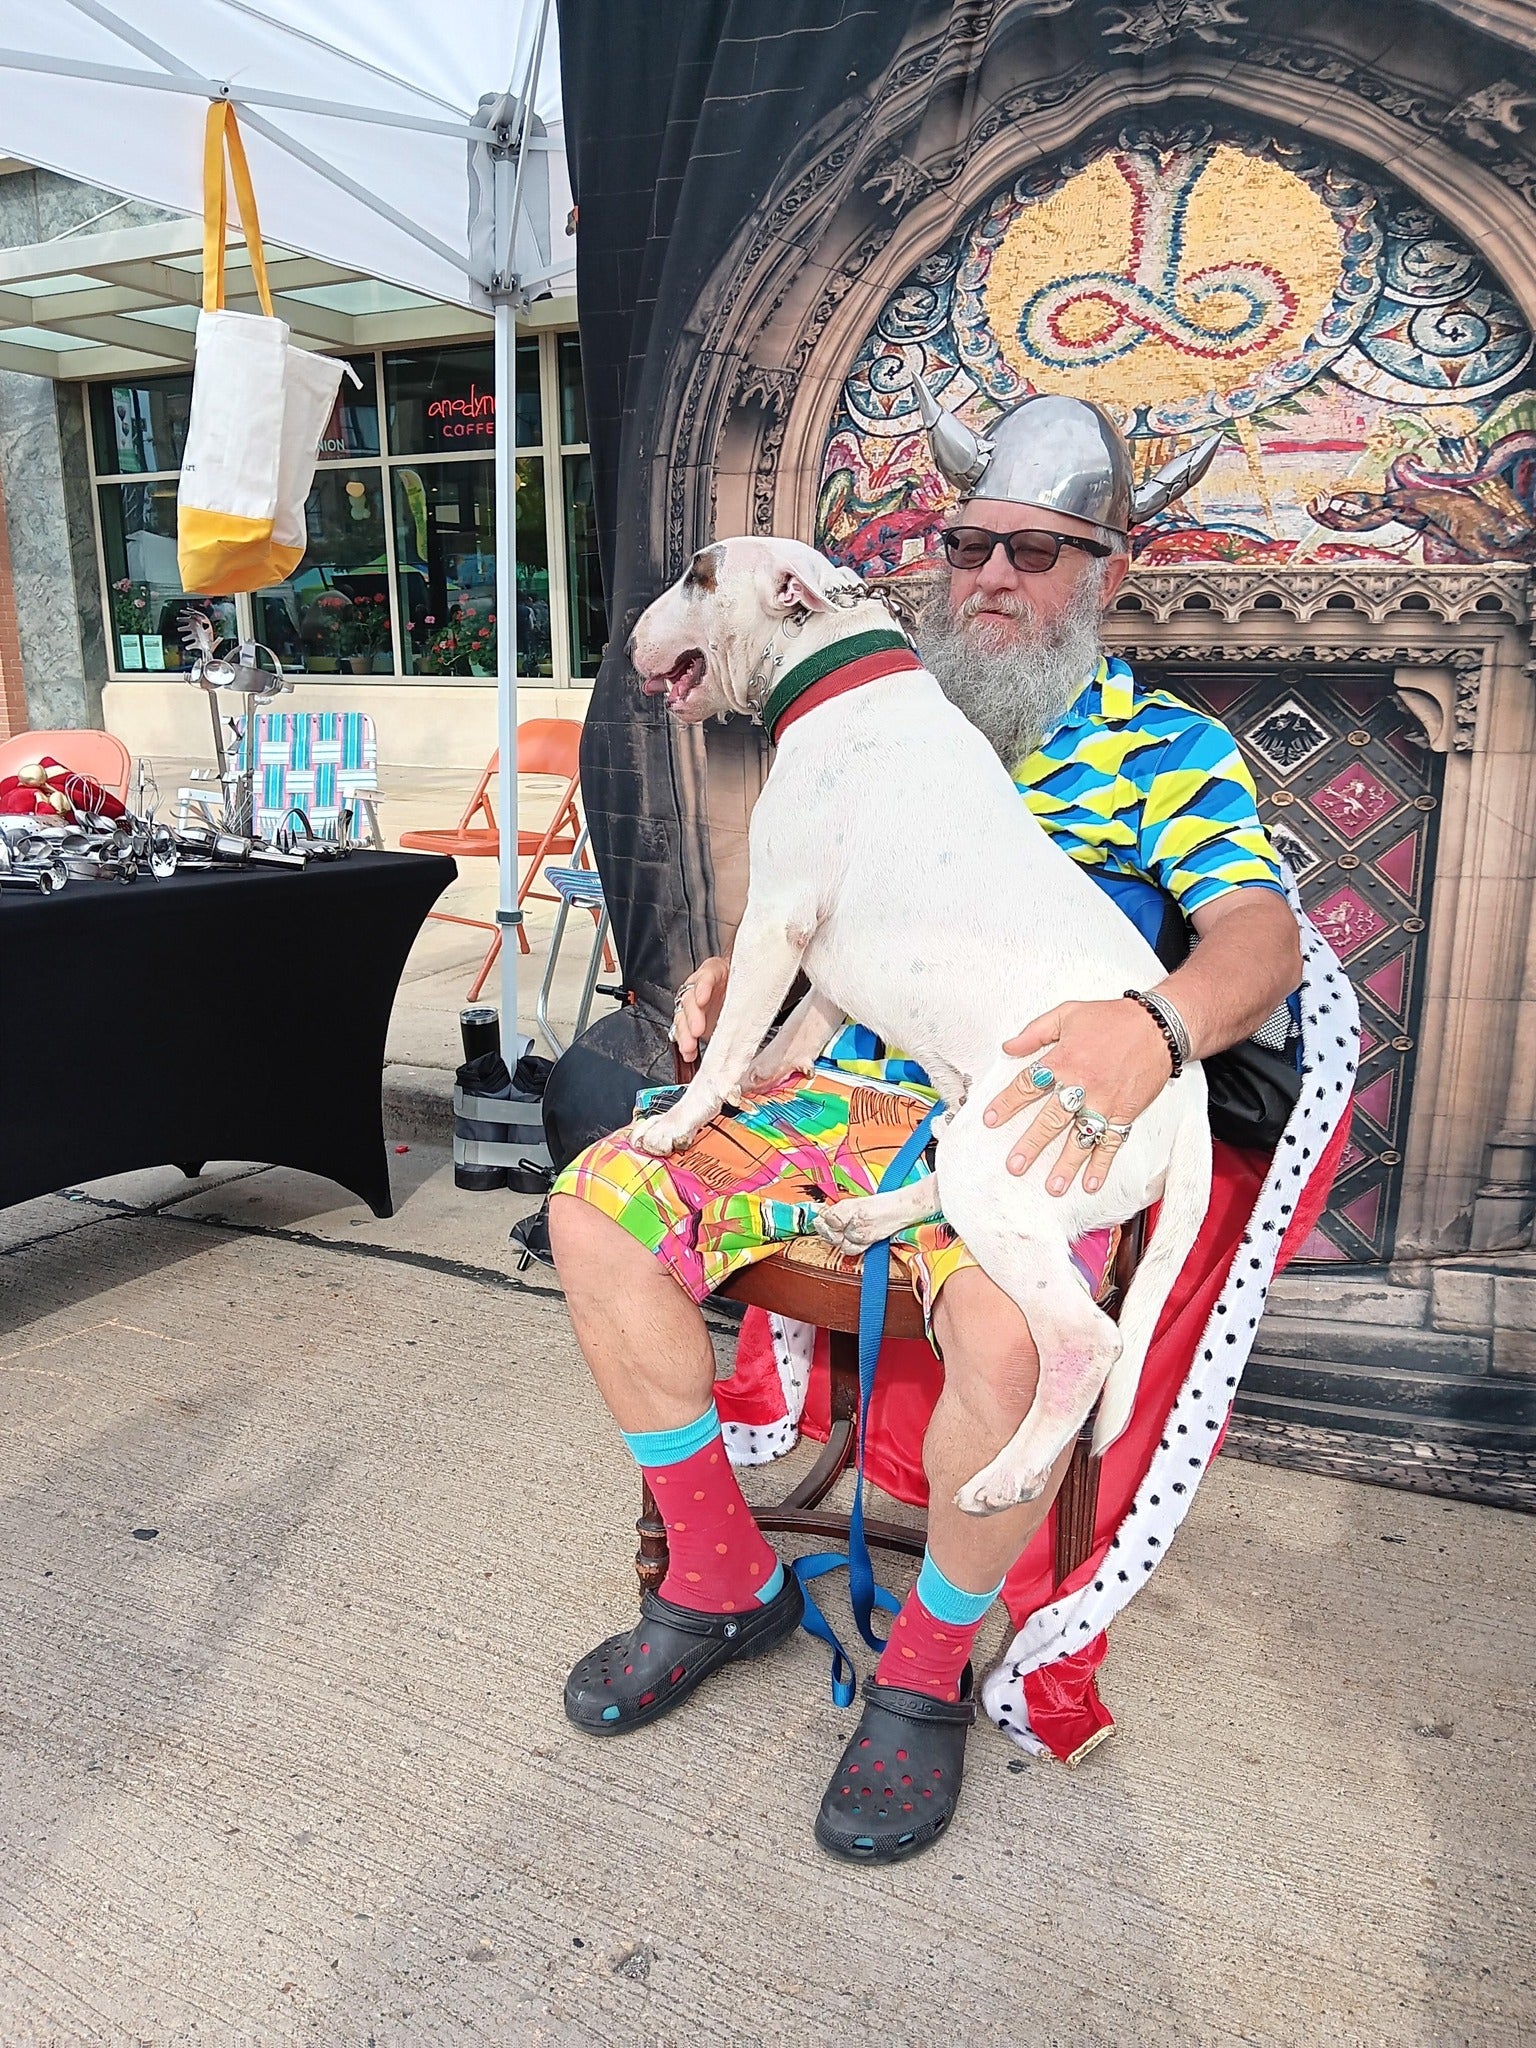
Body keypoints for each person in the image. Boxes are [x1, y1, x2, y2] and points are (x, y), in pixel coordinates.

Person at [548, 390, 1306, 1865]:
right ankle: (719, 1576)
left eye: (1039, 550)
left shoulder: (1167, 751)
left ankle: (922, 1672)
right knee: (595, 1209)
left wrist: (1149, 1028)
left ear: (1110, 571)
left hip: (1031, 1094)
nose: (995, 579)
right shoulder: (878, 707)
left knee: (1018, 1346)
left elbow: (1261, 946)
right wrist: (733, 979)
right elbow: (817, 918)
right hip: (844, 1092)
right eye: (970, 545)